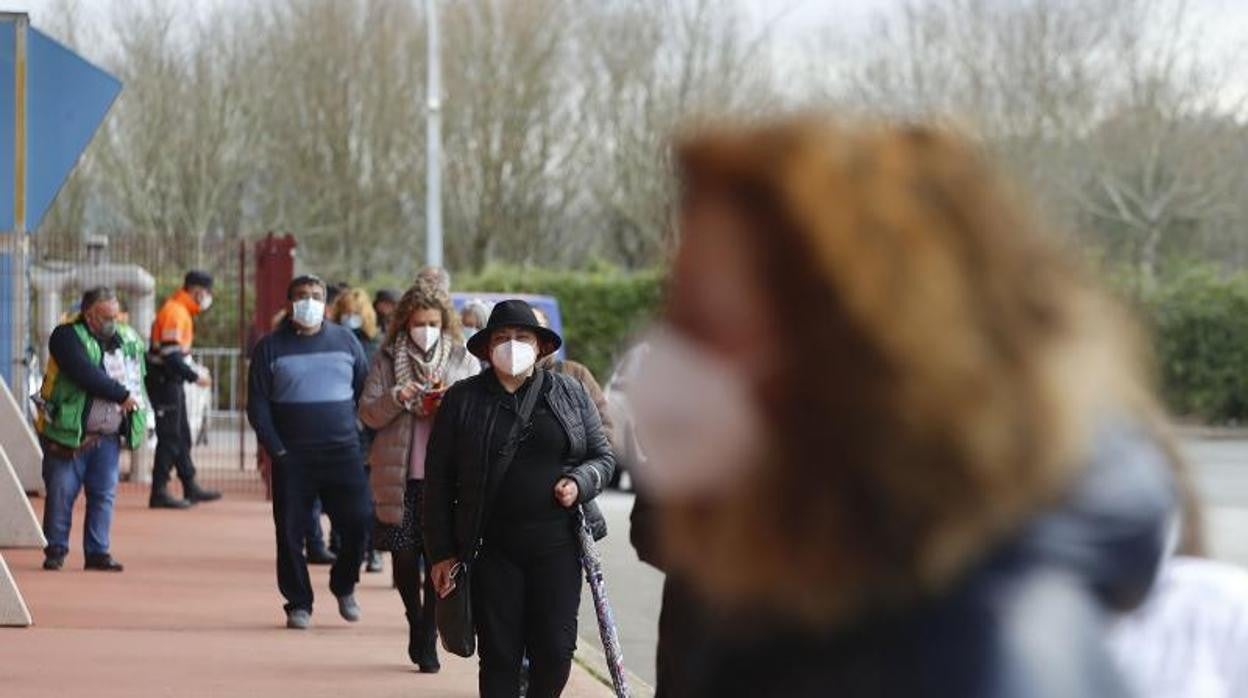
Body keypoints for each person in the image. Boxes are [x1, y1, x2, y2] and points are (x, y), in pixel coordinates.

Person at [626, 119, 1178, 696]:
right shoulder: (816, 592)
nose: (668, 359)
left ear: (857, 352)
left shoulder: (979, 663)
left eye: (704, 324)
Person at [424, 300, 615, 698]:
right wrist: (441, 552)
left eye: (522, 337)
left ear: (541, 346)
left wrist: (580, 482)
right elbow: (438, 481)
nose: (512, 345)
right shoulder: (463, 399)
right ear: (487, 347)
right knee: (500, 656)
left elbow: (604, 456)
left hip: (557, 548)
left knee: (556, 652)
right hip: (491, 550)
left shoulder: (570, 392)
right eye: (502, 338)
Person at [358, 278, 479, 673]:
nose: (424, 330)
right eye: (417, 323)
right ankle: (415, 617)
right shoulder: (387, 359)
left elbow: (480, 413)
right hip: (400, 476)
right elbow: (368, 412)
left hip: (446, 479)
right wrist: (399, 397)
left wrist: (450, 402)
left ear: (444, 324)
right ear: (404, 324)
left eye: (432, 323)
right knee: (404, 556)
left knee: (436, 557)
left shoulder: (462, 358)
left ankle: (428, 628)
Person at [247, 274, 373, 630]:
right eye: (301, 295)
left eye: (316, 296)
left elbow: (364, 394)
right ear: (288, 304)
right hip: (293, 458)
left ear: (326, 304)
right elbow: (257, 406)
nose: (309, 301)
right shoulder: (270, 347)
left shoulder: (346, 341)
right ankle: (298, 603)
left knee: (360, 521)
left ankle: (344, 583)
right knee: (289, 533)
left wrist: (364, 442)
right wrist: (278, 451)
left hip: (343, 452)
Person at [36, 287, 150, 572]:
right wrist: (121, 394)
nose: (113, 322)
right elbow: (85, 373)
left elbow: (140, 374)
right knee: (61, 493)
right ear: (89, 315)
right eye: (106, 316)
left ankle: (97, 552)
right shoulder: (65, 337)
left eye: (116, 315)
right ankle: (56, 549)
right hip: (67, 436)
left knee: (104, 495)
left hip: (106, 437)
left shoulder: (124, 339)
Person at [146, 270, 222, 509]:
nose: (208, 297)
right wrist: (194, 376)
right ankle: (159, 490)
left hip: (170, 380)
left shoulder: (181, 311)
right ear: (196, 290)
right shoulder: (175, 312)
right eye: (207, 292)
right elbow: (170, 355)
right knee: (170, 436)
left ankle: (190, 485)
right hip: (163, 380)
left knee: (182, 434)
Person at [325, 287, 385, 573]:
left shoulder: (378, 346)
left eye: (356, 313)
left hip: (371, 429)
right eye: (346, 313)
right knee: (340, 491)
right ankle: (339, 541)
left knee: (370, 494)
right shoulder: (332, 343)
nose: (351, 318)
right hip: (340, 425)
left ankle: (372, 548)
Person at [532, 307, 615, 447]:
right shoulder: (499, 380)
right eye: (522, 332)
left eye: (538, 327)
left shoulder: (575, 373)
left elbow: (605, 430)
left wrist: (580, 465)